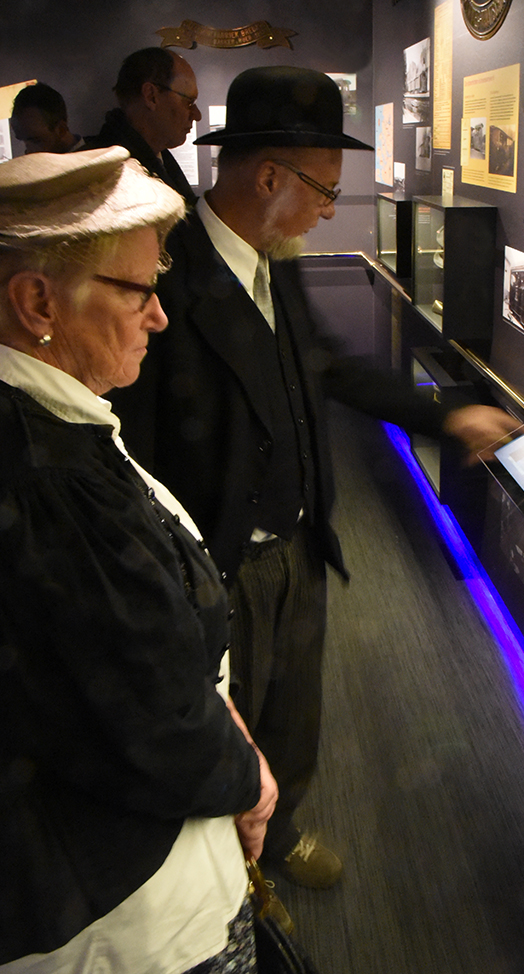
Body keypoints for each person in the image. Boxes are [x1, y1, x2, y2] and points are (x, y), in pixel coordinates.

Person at [111, 65, 519, 892]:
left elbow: (325, 366)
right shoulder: (164, 278)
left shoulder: (273, 259)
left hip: (298, 545)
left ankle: (281, 830)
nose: (329, 211)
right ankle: (234, 886)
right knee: (224, 736)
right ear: (269, 177)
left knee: (293, 719)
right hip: (215, 566)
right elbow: (136, 451)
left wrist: (444, 417)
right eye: (324, 192)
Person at [0, 146, 279, 971]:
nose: (159, 316)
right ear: (37, 300)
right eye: (141, 290)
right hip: (130, 916)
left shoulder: (50, 425)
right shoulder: (44, 479)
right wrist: (250, 781)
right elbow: (153, 722)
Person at [85, 47, 200, 204]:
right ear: (151, 96)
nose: (197, 115)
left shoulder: (158, 158)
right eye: (189, 102)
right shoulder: (103, 176)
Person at [10, 82, 84, 154]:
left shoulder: (93, 160)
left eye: (36, 141)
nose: (28, 152)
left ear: (61, 130)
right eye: (24, 141)